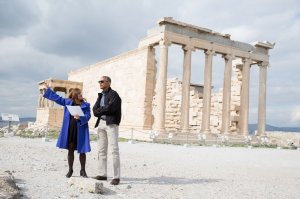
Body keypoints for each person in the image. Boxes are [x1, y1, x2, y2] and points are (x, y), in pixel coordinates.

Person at [43, 82, 91, 178]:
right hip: (70, 129)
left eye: (81, 94)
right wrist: (48, 90)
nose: (81, 95)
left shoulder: (86, 105)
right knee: (70, 150)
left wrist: (81, 117)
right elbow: (57, 98)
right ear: (75, 96)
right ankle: (70, 170)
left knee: (82, 151)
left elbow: (88, 116)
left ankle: (83, 170)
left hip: (81, 130)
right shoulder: (68, 102)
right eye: (79, 94)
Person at [92, 76, 122, 185]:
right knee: (101, 150)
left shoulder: (114, 94)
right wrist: (101, 111)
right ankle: (102, 174)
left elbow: (111, 108)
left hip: (111, 124)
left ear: (108, 83)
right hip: (101, 124)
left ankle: (116, 177)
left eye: (102, 81)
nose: (100, 83)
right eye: (99, 81)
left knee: (114, 150)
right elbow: (94, 111)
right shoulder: (100, 96)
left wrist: (100, 110)